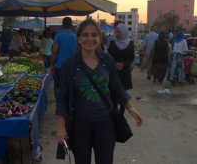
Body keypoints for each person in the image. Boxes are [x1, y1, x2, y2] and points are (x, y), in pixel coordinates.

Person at [55, 19, 143, 163]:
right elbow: (63, 98)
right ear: (78, 38)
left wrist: (131, 109)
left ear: (99, 38)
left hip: (104, 124)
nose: (90, 39)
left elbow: (117, 87)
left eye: (94, 35)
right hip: (79, 125)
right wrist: (61, 126)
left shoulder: (107, 60)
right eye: (85, 35)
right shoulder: (69, 65)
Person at [108, 24, 134, 114]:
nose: (117, 34)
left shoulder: (130, 43)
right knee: (114, 93)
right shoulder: (113, 43)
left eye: (119, 32)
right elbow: (109, 56)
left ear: (123, 32)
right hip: (114, 72)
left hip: (125, 72)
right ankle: (115, 112)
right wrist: (114, 64)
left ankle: (122, 114)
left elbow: (131, 58)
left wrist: (124, 64)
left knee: (123, 93)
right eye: (116, 32)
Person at [50, 17, 77, 102]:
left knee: (58, 87)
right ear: (72, 25)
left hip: (59, 67)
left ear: (62, 25)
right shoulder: (76, 37)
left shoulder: (58, 36)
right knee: (70, 87)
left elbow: (54, 51)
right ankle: (69, 106)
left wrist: (51, 64)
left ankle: (60, 107)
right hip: (72, 67)